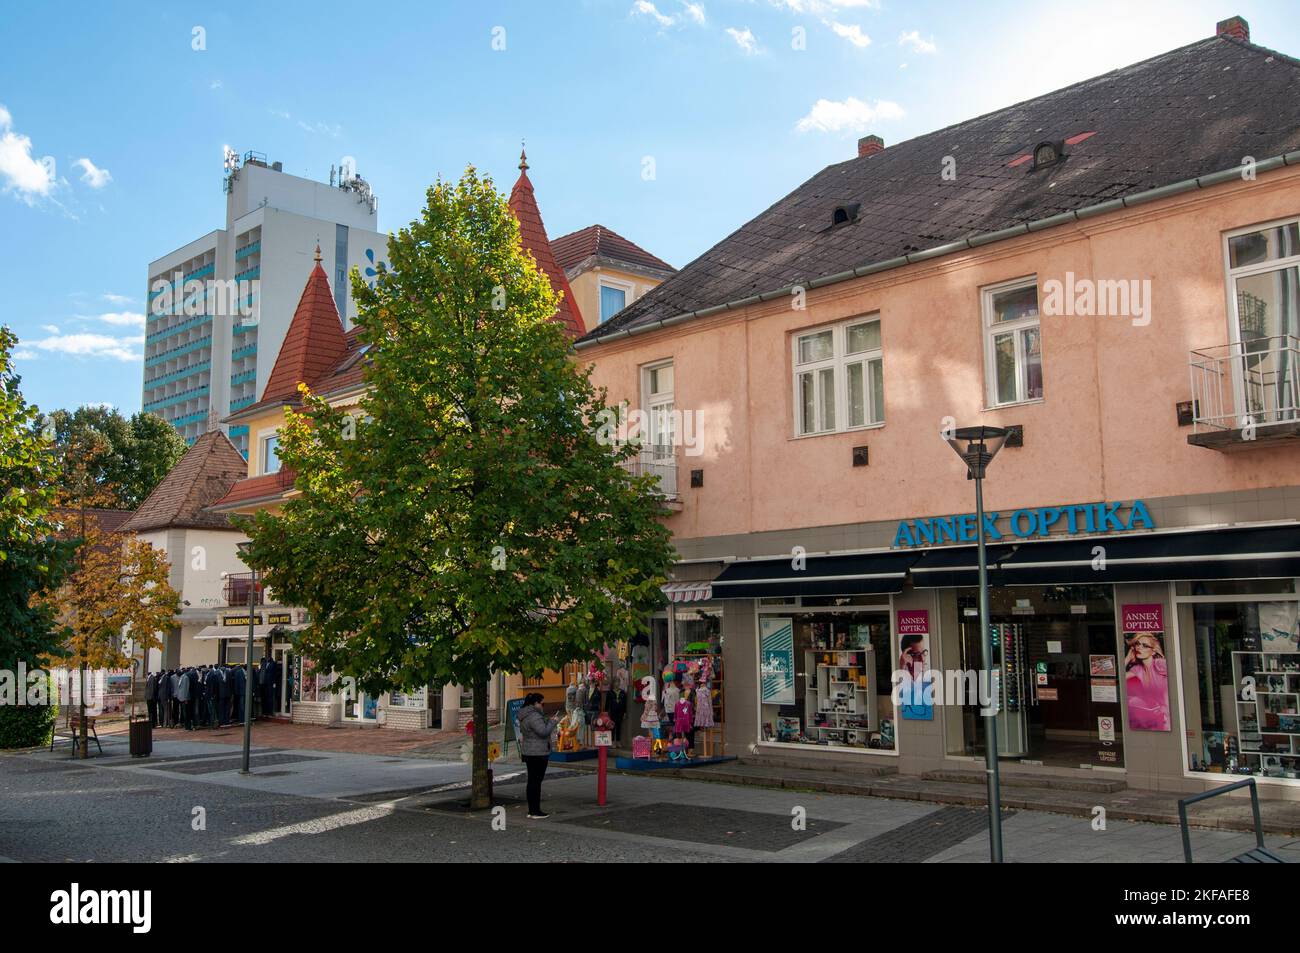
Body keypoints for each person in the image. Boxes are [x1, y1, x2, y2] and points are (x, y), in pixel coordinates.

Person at [518, 692, 563, 819]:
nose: (543, 706)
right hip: (537, 752)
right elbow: (543, 732)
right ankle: (535, 811)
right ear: (535, 703)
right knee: (536, 781)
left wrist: (547, 721)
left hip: (529, 751)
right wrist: (553, 722)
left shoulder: (525, 714)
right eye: (542, 703)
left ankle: (532, 810)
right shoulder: (534, 716)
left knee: (532, 781)